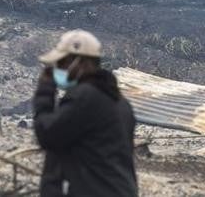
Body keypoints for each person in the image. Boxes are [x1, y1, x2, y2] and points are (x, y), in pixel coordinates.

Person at [32, 30, 137, 197]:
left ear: (79, 62)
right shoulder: (119, 102)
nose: (56, 70)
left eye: (61, 64)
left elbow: (47, 134)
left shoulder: (85, 98)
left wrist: (45, 92)